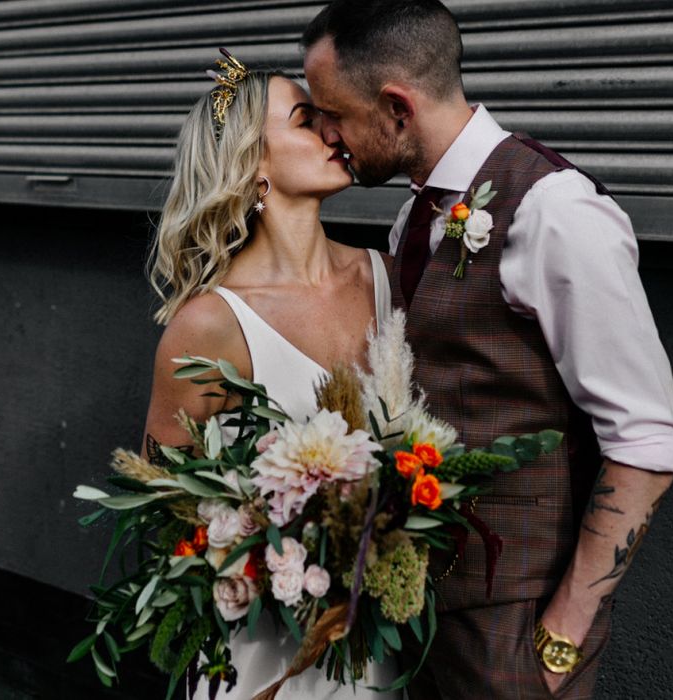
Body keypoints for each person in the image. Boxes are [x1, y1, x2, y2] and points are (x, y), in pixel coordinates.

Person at [301, 1, 673, 698]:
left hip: (517, 629)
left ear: (396, 106)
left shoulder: (554, 210)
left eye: (332, 112)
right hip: (422, 617)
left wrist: (561, 634)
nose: (327, 135)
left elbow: (647, 440)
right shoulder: (411, 217)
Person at [141, 55, 399, 699]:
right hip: (266, 654)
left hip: (383, 643)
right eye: (307, 120)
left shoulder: (392, 278)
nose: (335, 133)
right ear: (252, 162)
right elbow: (162, 504)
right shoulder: (210, 325)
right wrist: (273, 547)